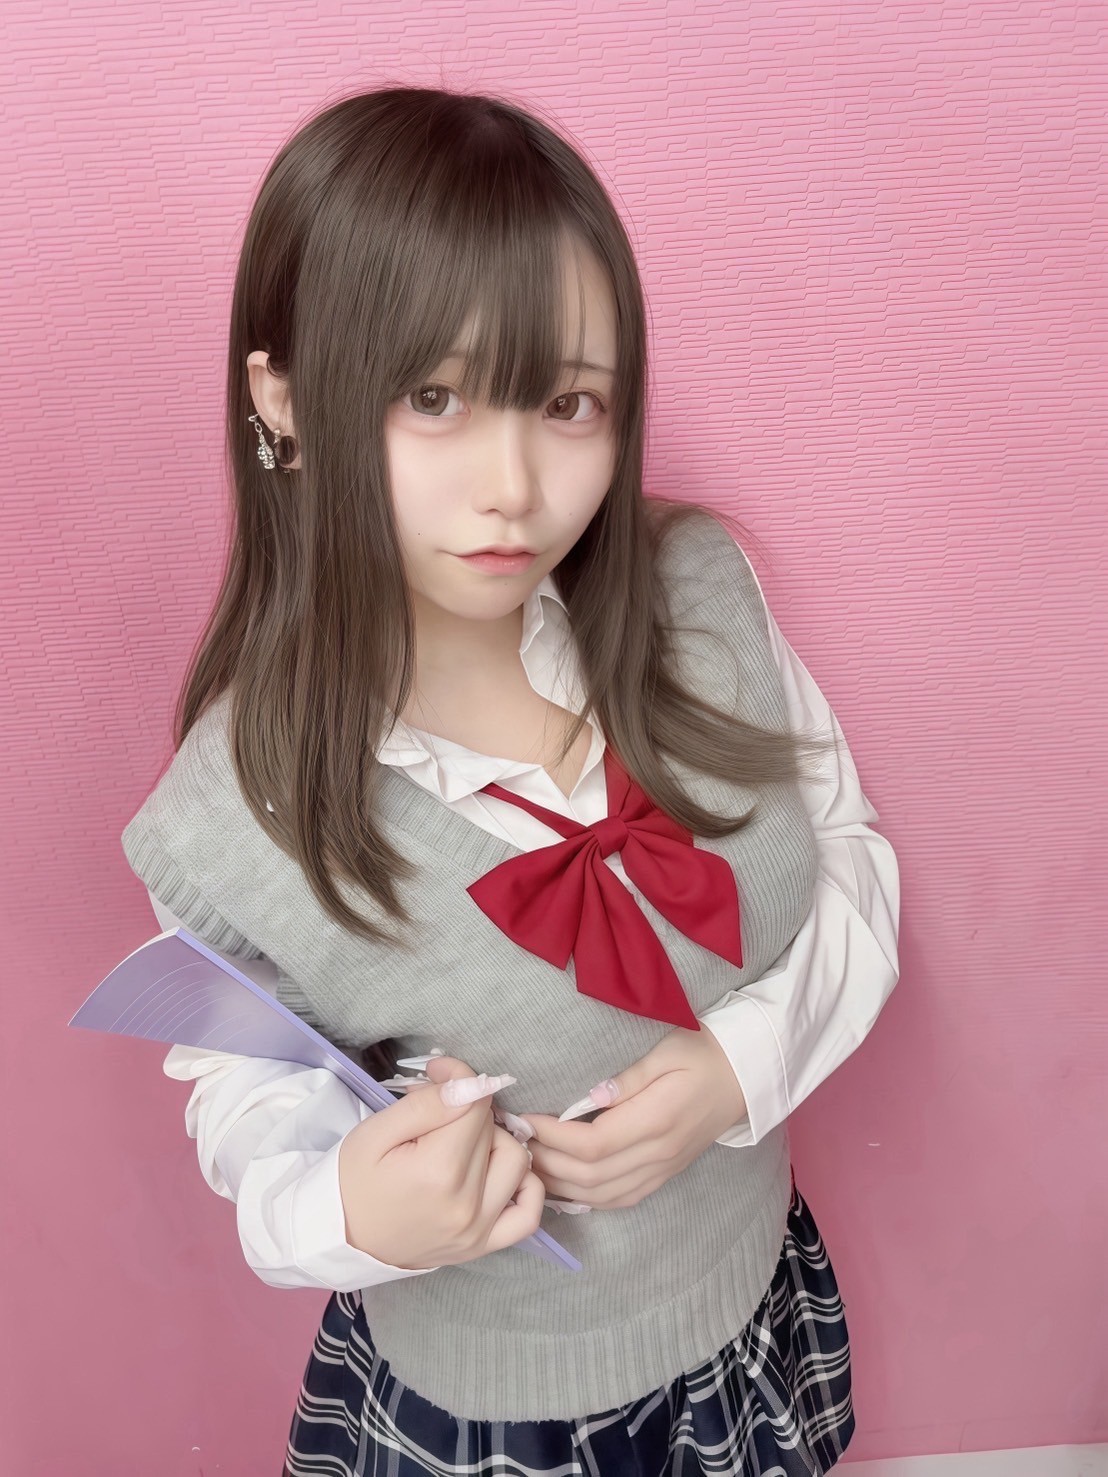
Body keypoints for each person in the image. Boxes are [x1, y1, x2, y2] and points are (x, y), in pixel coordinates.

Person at [121, 85, 900, 1475]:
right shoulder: (243, 807)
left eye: (568, 402)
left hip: (739, 1304)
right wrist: (353, 1210)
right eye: (433, 397)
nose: (516, 485)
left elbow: (849, 854)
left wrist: (737, 1072)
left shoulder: (698, 595)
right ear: (283, 400)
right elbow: (250, 1107)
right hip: (490, 1404)